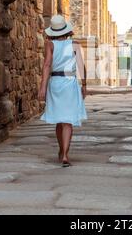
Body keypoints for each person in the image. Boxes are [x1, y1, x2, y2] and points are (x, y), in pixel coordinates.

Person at [38, 15, 87, 167]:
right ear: (66, 30)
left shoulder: (50, 44)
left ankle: (62, 151)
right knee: (68, 121)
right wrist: (84, 85)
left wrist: (43, 87)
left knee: (59, 120)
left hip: (55, 83)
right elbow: (81, 65)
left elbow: (47, 65)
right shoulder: (75, 44)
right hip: (70, 83)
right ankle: (65, 153)